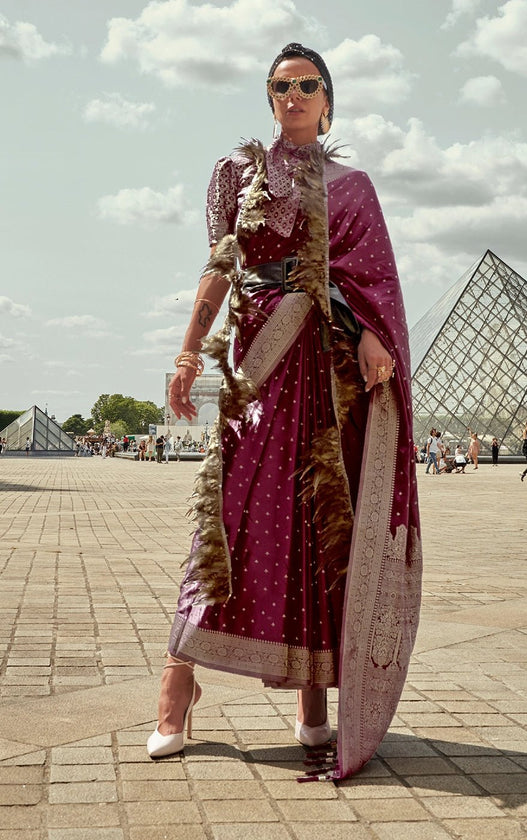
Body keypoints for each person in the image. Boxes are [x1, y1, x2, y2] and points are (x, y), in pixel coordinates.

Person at [146, 42, 422, 781]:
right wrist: (186, 353)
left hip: (329, 379)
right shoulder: (237, 173)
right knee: (228, 517)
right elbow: (219, 266)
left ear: (330, 100)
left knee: (319, 527)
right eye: (280, 87)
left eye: (307, 85)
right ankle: (178, 681)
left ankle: (313, 702)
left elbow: (375, 280)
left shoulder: (354, 185)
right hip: (260, 364)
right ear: (268, 100)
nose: (293, 96)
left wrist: (371, 333)